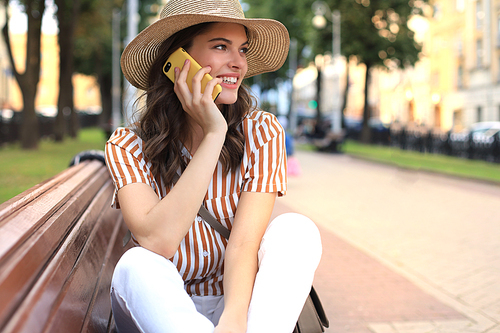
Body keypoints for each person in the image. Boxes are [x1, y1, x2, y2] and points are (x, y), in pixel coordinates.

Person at [104, 0, 322, 332]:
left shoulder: (261, 132)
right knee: (135, 265)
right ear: (177, 61)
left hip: (240, 305)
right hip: (161, 305)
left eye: (242, 49)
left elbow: (245, 242)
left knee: (296, 229)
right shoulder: (127, 146)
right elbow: (159, 241)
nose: (238, 63)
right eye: (221, 46)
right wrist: (214, 132)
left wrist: (234, 318)